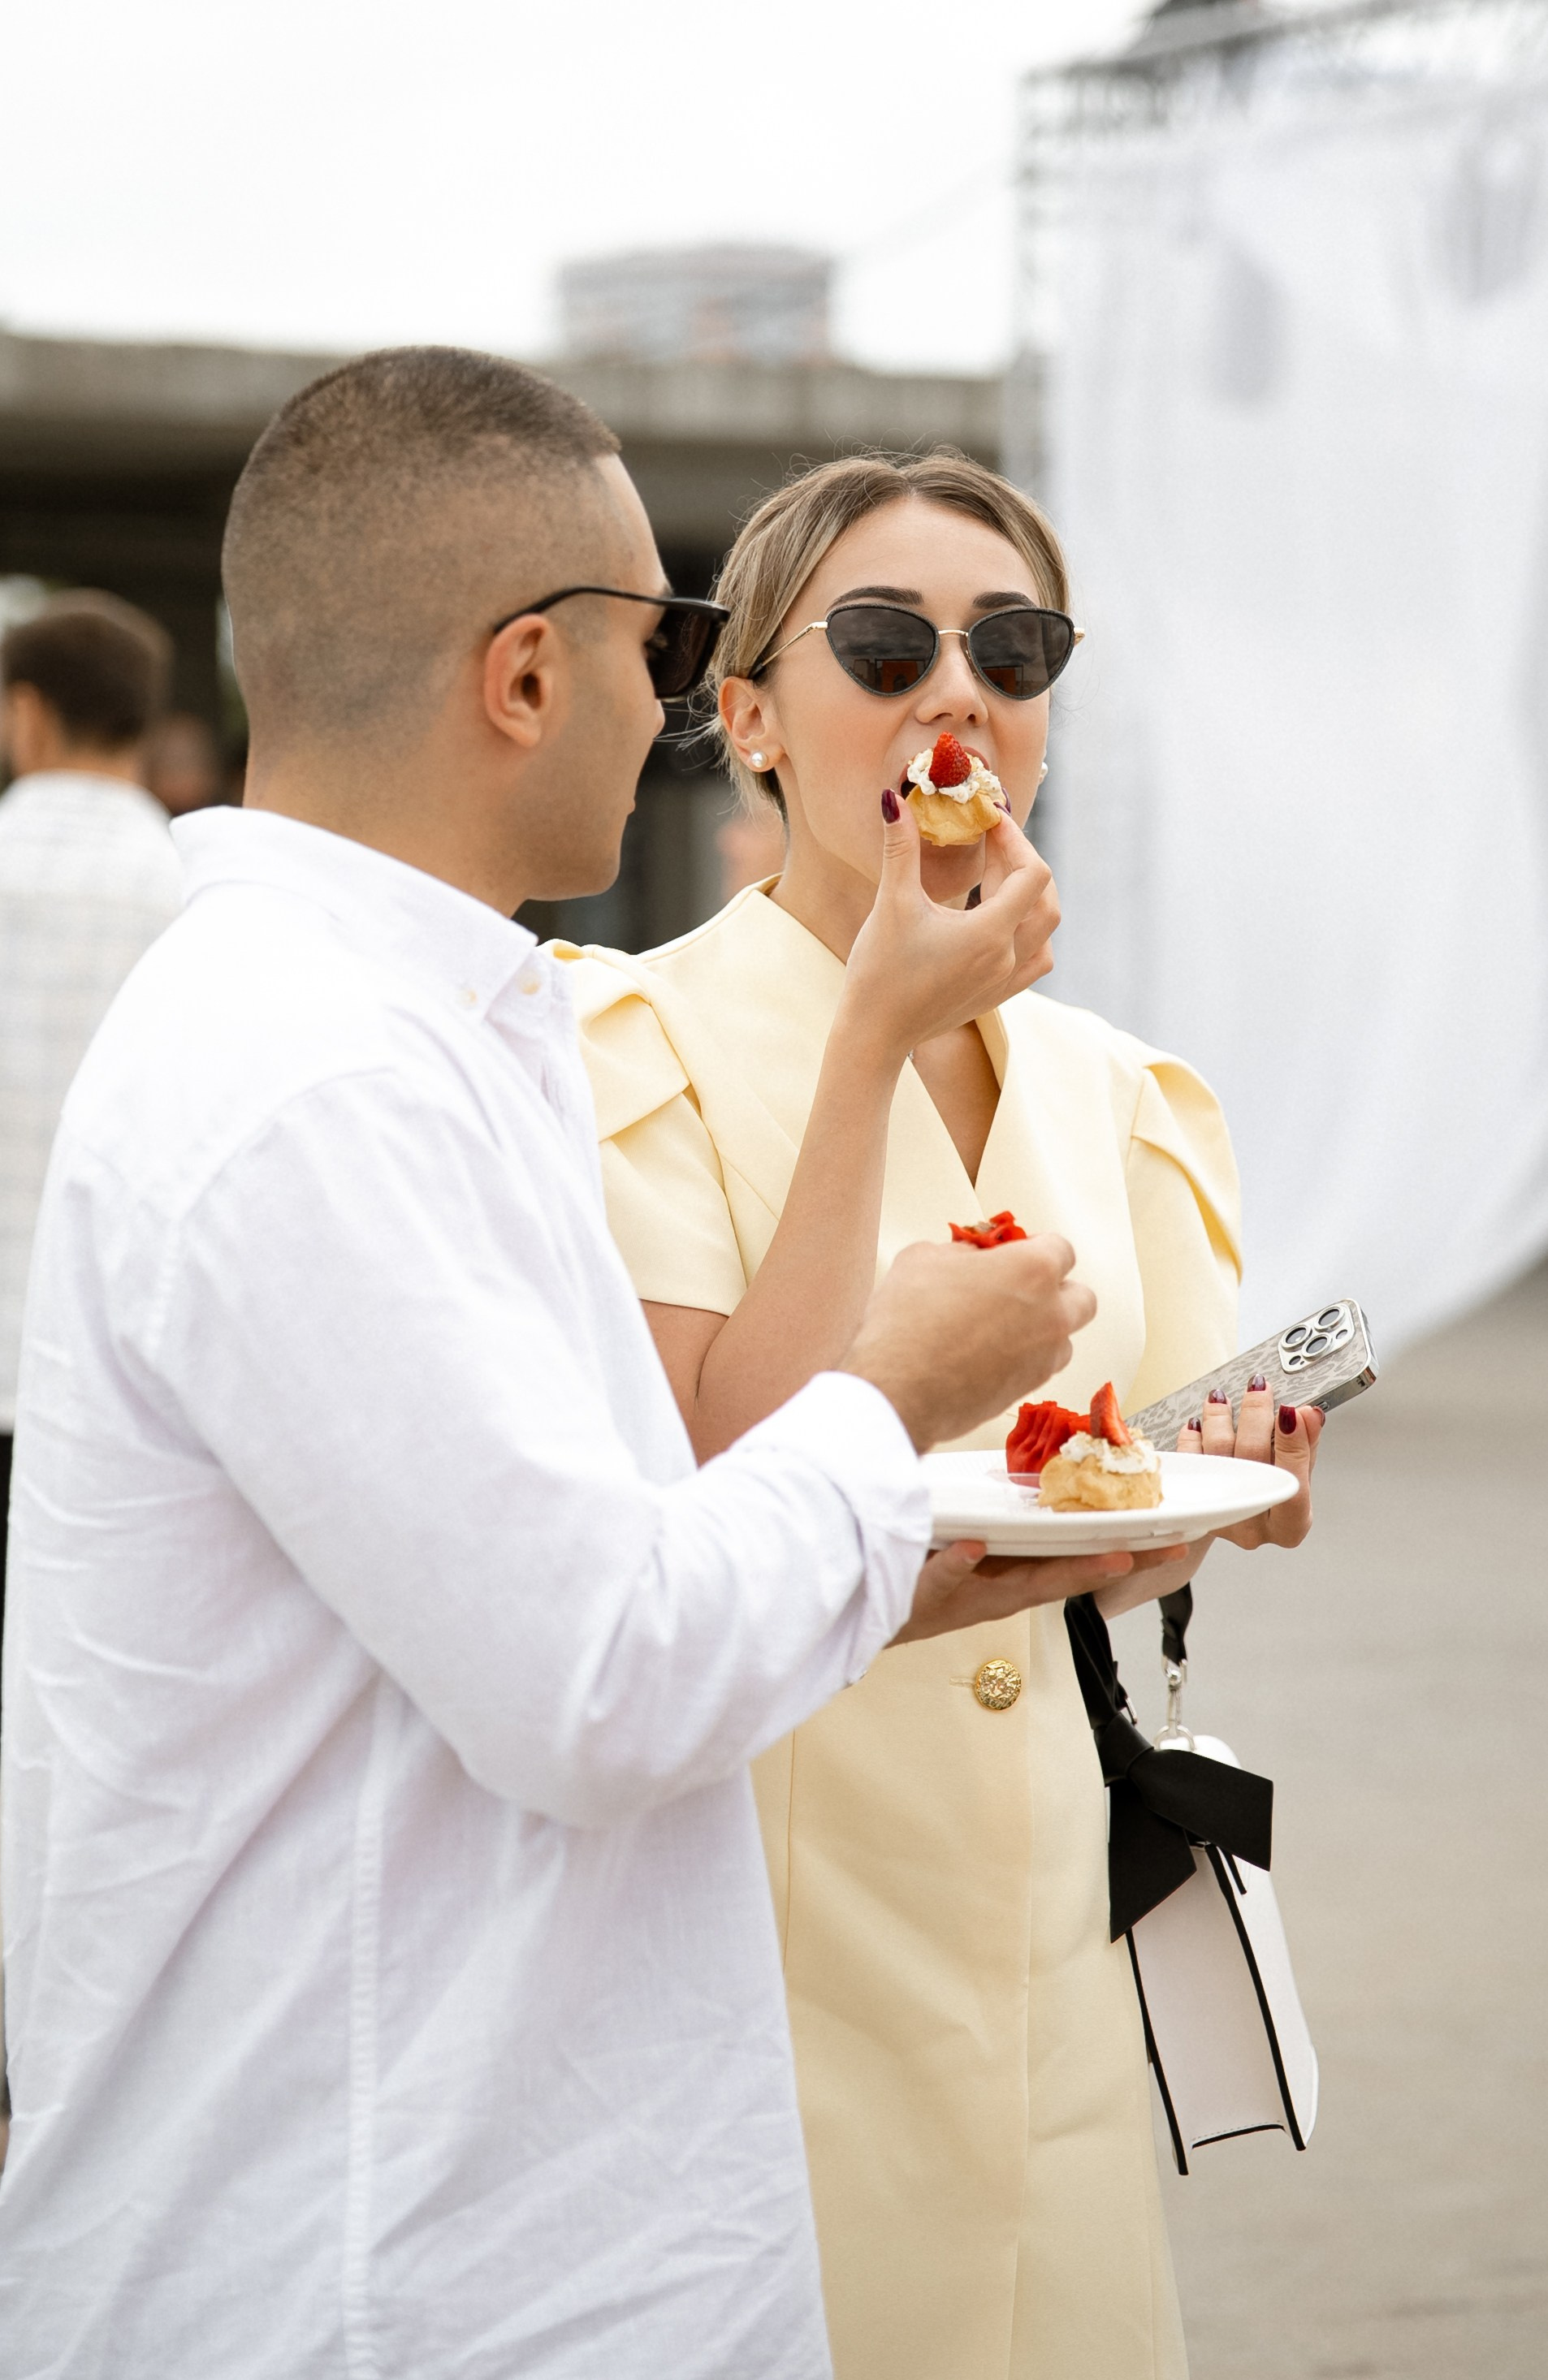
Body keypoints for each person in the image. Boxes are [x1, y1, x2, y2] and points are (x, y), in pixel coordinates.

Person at [0, 351, 1147, 2380]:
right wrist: (890, 1390)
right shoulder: (317, 1079)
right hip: (376, 2278)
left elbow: (596, 1567)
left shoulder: (429, 1027)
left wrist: (921, 1551)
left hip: (475, 2237)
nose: (677, 698)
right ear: (525, 673)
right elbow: (603, 1676)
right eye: (671, 636)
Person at [562, 452, 1325, 2380]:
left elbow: (1139, 1472)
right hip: (759, 1941)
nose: (952, 693)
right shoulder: (625, 1048)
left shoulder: (1118, 1085)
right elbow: (712, 1489)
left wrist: (1231, 1485)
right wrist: (870, 1040)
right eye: (883, 643)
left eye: (1011, 645)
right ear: (743, 716)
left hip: (1046, 1939)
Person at [0, 590, 180, 2184]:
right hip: (126, 1408)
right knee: (92, 1774)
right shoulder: (195, 895)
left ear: (23, 713)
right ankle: (45, 2110)